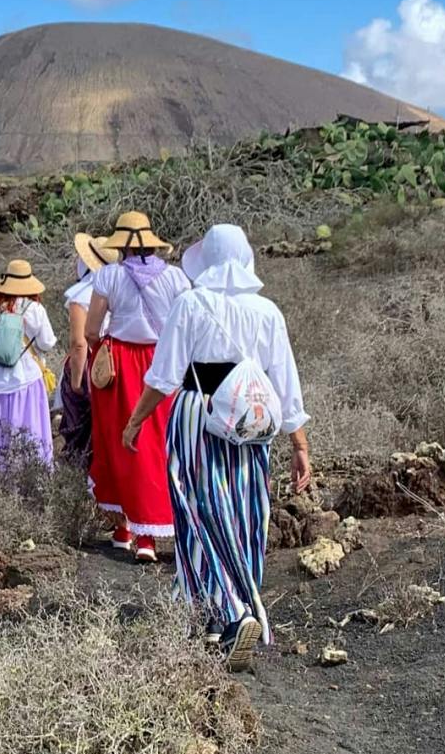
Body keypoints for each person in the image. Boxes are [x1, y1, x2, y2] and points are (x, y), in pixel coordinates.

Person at [127, 224, 309, 671]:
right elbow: (286, 385)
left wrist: (135, 420)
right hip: (251, 421)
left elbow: (165, 376)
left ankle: (232, 612)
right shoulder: (268, 312)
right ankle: (218, 616)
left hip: (198, 413)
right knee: (243, 514)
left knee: (197, 512)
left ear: (206, 259)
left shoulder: (190, 304)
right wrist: (300, 445)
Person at [84, 210, 192, 563]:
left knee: (120, 446)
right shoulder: (176, 277)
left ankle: (126, 529)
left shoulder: (108, 276)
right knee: (159, 444)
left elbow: (91, 330)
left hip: (120, 367)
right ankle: (154, 531)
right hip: (163, 365)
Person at [0, 260, 58, 473]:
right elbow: (47, 342)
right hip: (24, 378)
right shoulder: (35, 309)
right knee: (29, 429)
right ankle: (32, 474)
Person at [58, 231, 119, 467]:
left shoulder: (80, 296)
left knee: (79, 428)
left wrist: (75, 381)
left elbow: (79, 342)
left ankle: (80, 477)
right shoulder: (115, 290)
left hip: (89, 364)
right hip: (112, 363)